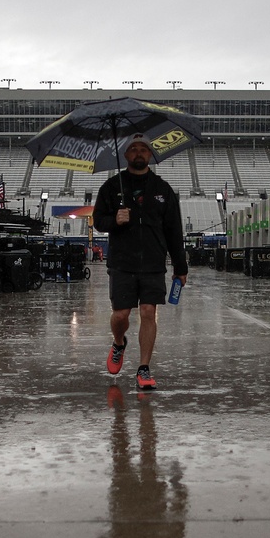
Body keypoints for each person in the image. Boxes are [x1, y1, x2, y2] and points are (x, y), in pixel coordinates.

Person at [93, 134, 188, 390]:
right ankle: (119, 343)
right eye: (133, 149)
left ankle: (144, 368)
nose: (138, 153)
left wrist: (180, 267)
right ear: (125, 155)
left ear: (150, 154)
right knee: (120, 315)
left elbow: (174, 230)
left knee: (148, 312)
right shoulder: (111, 187)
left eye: (143, 149)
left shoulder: (162, 189)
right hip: (122, 263)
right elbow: (98, 221)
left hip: (153, 263)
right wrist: (115, 220)